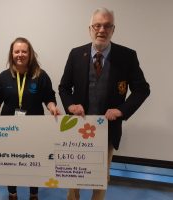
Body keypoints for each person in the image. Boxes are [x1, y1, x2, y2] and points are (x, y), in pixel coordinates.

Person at [58, 7, 150, 200]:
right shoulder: (76, 54)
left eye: (107, 26)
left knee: (100, 176)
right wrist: (70, 106)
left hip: (106, 130)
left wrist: (121, 110)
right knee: (74, 174)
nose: (102, 30)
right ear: (89, 29)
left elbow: (142, 89)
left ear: (113, 29)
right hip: (77, 126)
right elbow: (64, 87)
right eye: (97, 25)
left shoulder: (127, 56)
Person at [0, 37, 61, 200]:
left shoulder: (40, 75)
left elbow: (49, 96)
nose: (20, 54)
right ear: (12, 54)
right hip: (9, 128)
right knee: (11, 161)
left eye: (24, 51)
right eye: (16, 51)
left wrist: (52, 107)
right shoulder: (4, 76)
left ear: (30, 54)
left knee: (34, 161)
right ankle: (12, 193)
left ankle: (33, 194)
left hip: (34, 128)